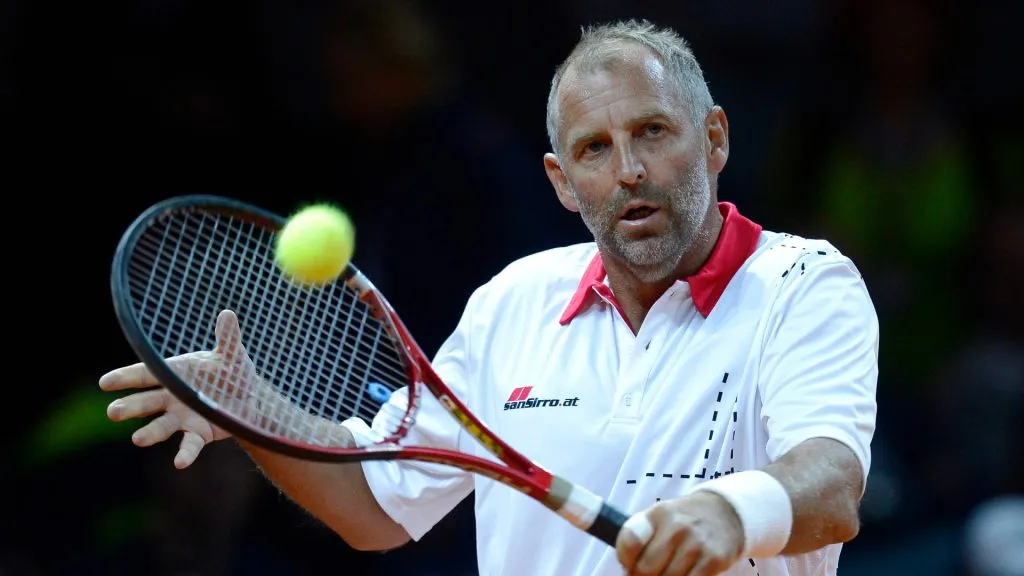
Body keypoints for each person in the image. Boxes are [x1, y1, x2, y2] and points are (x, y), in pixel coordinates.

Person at [99, 19, 878, 576]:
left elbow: (831, 483)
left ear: (714, 139)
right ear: (561, 183)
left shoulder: (803, 285)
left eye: (653, 132)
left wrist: (731, 512)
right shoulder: (513, 304)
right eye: (595, 150)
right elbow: (376, 511)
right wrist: (255, 411)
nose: (629, 170)